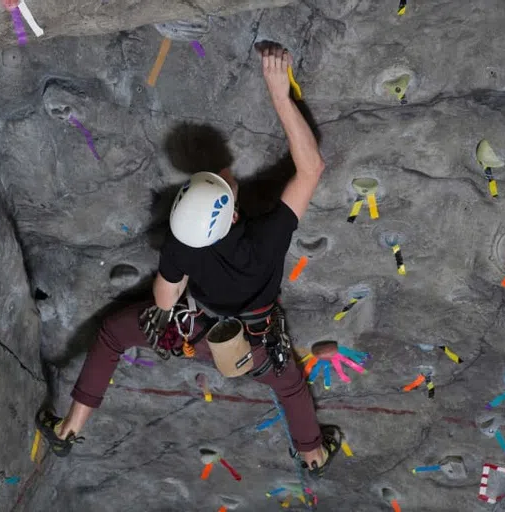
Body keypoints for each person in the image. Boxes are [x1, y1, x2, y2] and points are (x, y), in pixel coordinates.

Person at [37, 42, 341, 475]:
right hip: (253, 348)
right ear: (234, 214)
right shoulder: (267, 237)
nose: (227, 175)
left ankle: (69, 429)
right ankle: (312, 455)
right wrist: (278, 93)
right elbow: (311, 167)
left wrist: (171, 297)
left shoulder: (181, 243)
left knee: (111, 335)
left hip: (189, 333)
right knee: (290, 387)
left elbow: (163, 303)